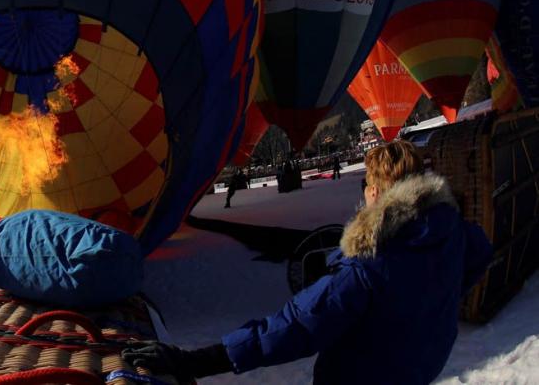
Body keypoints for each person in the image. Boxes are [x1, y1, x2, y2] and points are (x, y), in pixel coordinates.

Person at [123, 140, 493, 384]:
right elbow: (480, 255)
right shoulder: (454, 234)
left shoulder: (367, 268)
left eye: (365, 186)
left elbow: (294, 328)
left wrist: (196, 361)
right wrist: (435, 303)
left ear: (376, 192)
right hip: (420, 372)